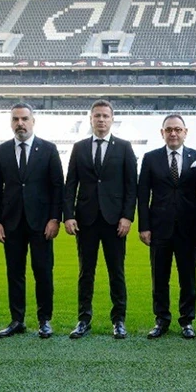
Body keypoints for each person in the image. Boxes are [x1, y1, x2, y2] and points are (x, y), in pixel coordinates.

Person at [0, 103, 64, 339]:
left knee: (43, 272)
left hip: (41, 224)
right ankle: (17, 320)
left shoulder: (49, 149)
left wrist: (54, 219)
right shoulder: (1, 151)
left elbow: (57, 187)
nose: (20, 123)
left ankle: (44, 320)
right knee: (15, 273)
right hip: (11, 224)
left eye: (24, 119)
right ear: (11, 123)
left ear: (33, 121)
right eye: (15, 119)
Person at [64, 99, 138, 339]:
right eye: (97, 116)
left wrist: (127, 217)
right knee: (86, 272)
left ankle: (119, 321)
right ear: (91, 119)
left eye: (105, 116)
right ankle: (83, 320)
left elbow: (131, 187)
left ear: (112, 119)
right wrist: (69, 215)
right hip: (86, 220)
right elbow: (70, 184)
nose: (101, 120)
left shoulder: (124, 147)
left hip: (115, 221)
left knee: (116, 271)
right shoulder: (79, 147)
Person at [137, 114, 196, 339]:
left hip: (188, 229)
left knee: (188, 277)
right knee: (159, 277)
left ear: (185, 132)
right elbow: (143, 195)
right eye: (169, 130)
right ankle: (161, 320)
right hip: (159, 229)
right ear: (162, 133)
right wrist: (144, 227)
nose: (173, 133)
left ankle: (187, 320)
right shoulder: (151, 158)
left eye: (177, 129)